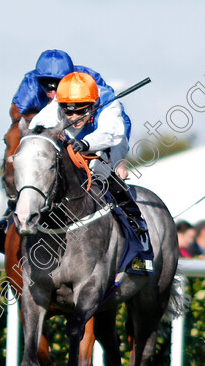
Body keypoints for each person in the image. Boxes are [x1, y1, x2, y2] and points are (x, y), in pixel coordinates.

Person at [28, 72, 152, 272]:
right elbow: (35, 127)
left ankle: (139, 236)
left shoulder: (110, 104)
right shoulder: (58, 104)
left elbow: (110, 134)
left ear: (93, 105)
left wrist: (86, 143)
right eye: (68, 112)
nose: (74, 118)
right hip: (73, 146)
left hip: (107, 146)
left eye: (80, 112)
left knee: (104, 178)